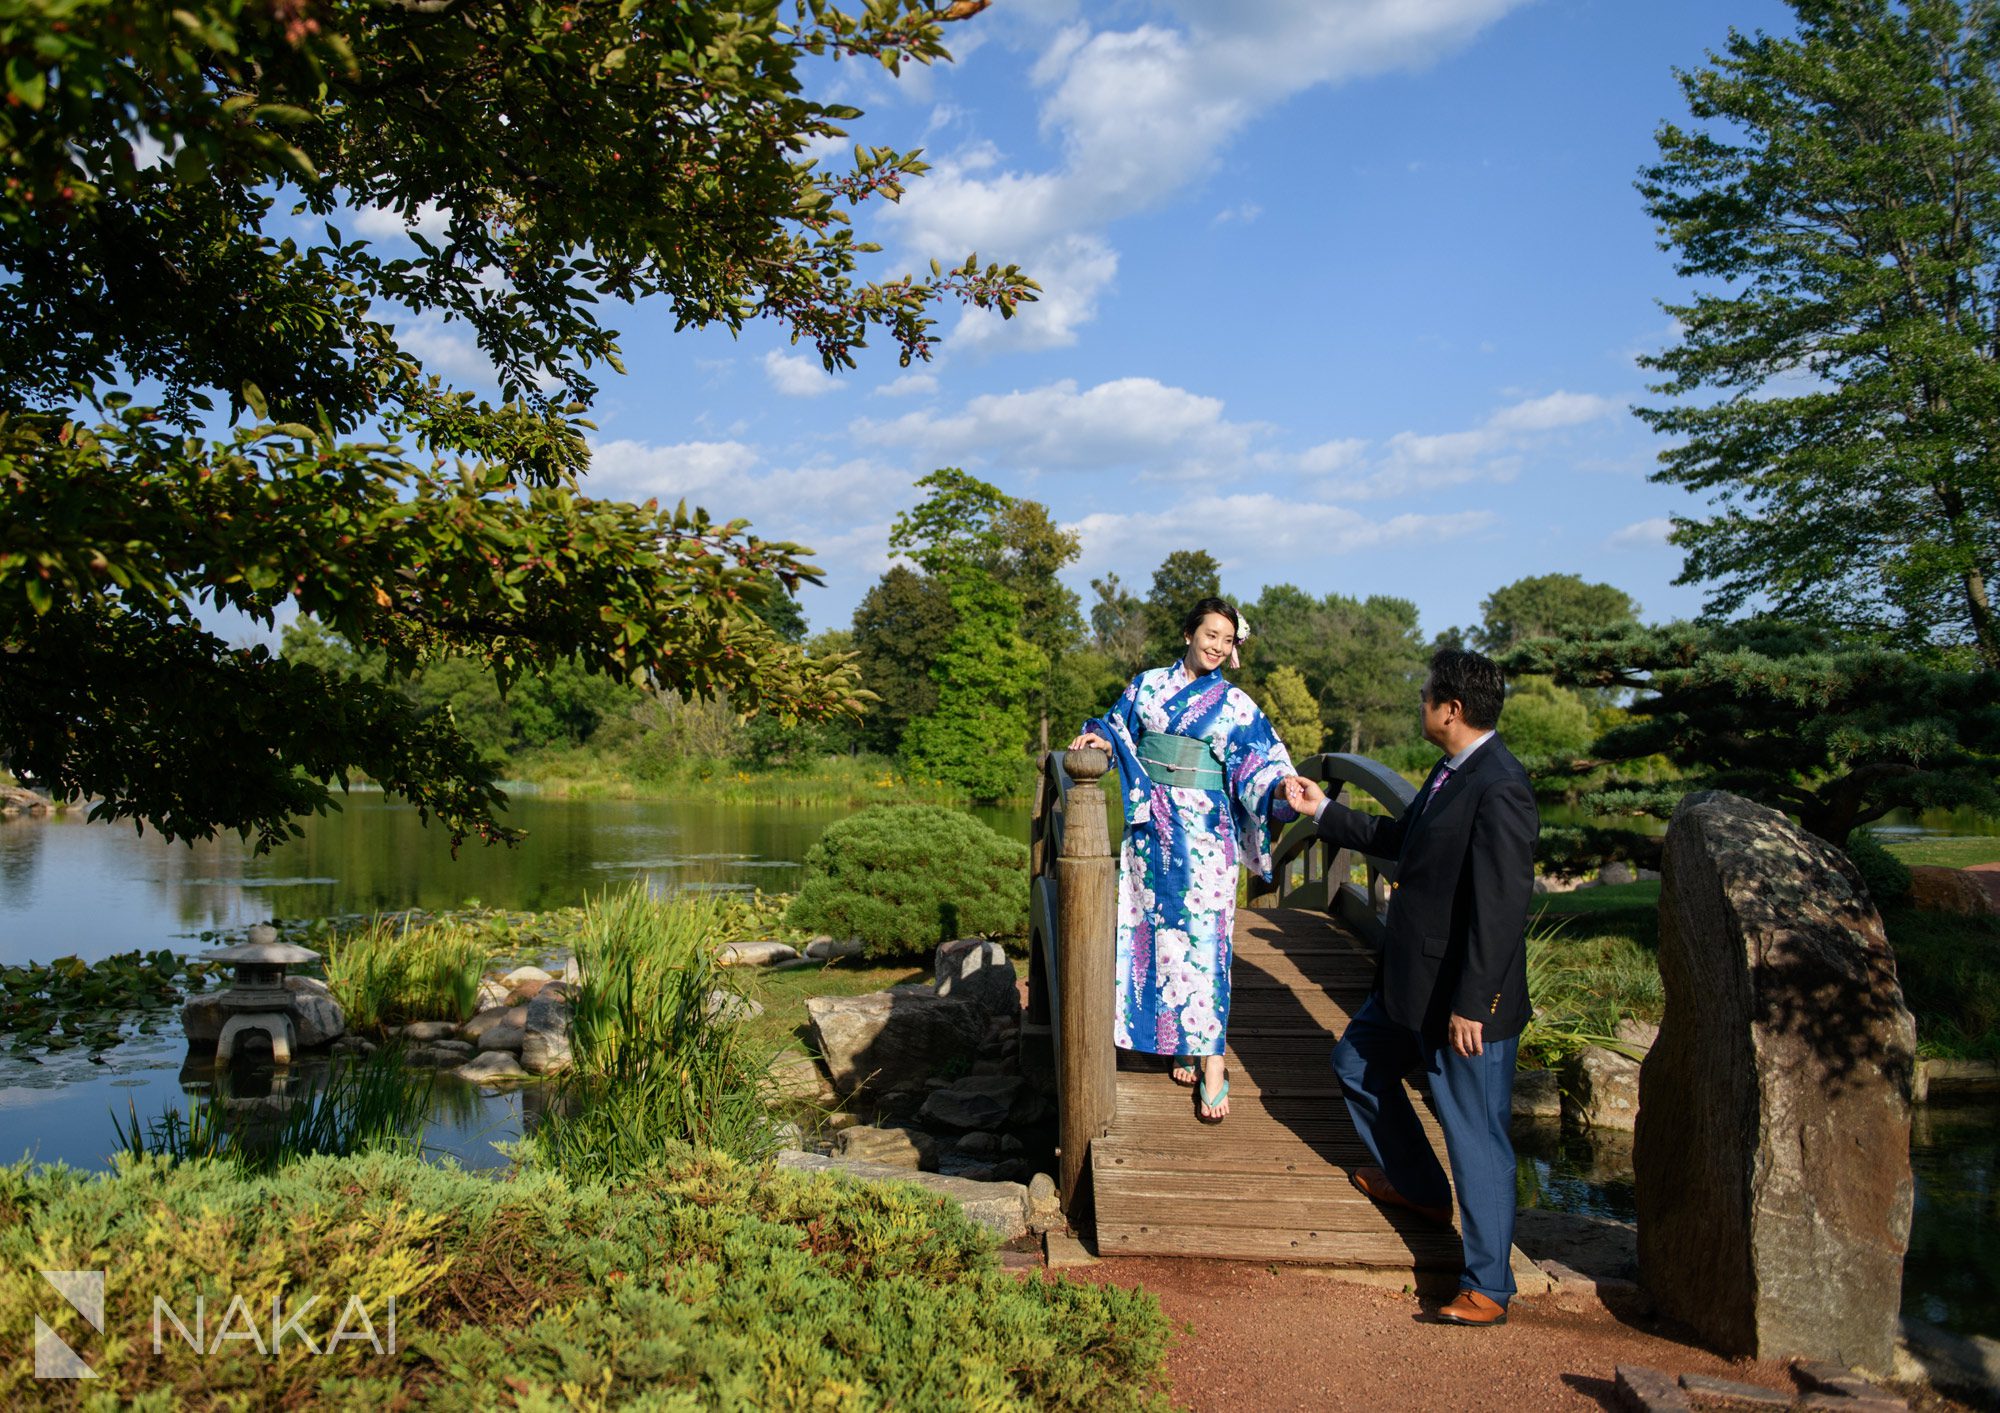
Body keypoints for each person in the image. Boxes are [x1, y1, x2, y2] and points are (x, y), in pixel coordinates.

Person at [1284, 648, 1537, 1327]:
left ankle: (1488, 1285)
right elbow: (1404, 839)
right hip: (1410, 987)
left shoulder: (1501, 785)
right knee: (1355, 1062)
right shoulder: (1455, 768)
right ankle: (1423, 1188)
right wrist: (1325, 809)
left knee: (1476, 1135)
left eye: (1426, 695)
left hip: (1461, 1001)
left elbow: (1502, 909)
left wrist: (1472, 1003)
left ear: (1450, 709)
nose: (1420, 702)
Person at [1068, 597, 1298, 1124]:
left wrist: (1282, 786)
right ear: (1190, 633)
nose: (1217, 646)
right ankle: (1179, 1042)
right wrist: (1100, 738)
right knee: (1155, 937)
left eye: (1227, 639)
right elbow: (1118, 726)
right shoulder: (1148, 684)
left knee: (1206, 944)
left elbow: (1261, 763)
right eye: (1210, 634)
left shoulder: (1237, 706)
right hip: (1151, 834)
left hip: (1205, 837)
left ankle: (1212, 1061)